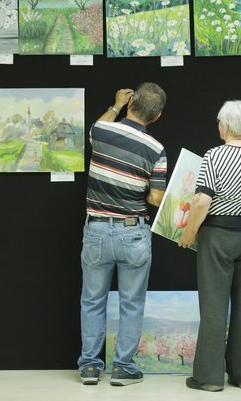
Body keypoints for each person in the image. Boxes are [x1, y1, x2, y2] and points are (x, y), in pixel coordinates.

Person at [178, 100, 241, 392]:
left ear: (228, 126)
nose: (218, 126)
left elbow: (202, 201)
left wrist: (189, 232)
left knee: (213, 305)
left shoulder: (214, 156)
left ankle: (209, 378)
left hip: (219, 235)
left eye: (220, 121)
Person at [78, 83, 167, 386]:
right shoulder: (157, 150)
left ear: (131, 103)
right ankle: (122, 368)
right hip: (133, 234)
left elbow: (96, 127)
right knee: (131, 302)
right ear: (156, 118)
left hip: (97, 229)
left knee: (92, 300)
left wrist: (115, 105)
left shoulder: (103, 131)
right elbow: (156, 199)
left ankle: (90, 367)